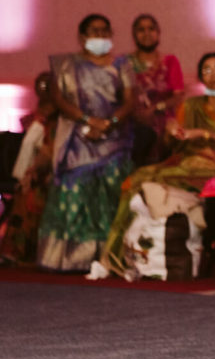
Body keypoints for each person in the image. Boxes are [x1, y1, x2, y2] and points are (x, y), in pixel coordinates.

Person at [101, 52, 215, 277]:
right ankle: (118, 255)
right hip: (187, 162)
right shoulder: (191, 105)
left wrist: (204, 134)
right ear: (201, 77)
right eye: (207, 70)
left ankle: (117, 257)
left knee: (148, 179)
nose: (214, 75)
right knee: (136, 178)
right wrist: (173, 132)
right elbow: (170, 143)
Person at [37, 14, 136, 272]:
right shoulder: (66, 65)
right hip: (77, 138)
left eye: (105, 31)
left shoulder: (122, 64)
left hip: (113, 140)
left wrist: (109, 122)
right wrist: (87, 120)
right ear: (82, 36)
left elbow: (129, 100)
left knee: (111, 196)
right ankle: (71, 258)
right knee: (76, 195)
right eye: (94, 31)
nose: (100, 36)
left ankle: (111, 256)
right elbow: (59, 99)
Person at [0, 73, 58, 265]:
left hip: (66, 175)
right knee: (26, 192)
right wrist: (32, 171)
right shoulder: (45, 120)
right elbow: (46, 151)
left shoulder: (66, 120)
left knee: (35, 194)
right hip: (45, 172)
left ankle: (29, 251)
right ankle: (14, 250)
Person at [127, 14, 184, 163]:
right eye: (141, 30)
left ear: (158, 33)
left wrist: (156, 108)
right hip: (133, 119)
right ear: (134, 35)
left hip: (164, 120)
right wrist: (136, 113)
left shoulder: (169, 61)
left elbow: (178, 95)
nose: (146, 33)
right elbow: (120, 95)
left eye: (151, 29)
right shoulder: (125, 63)